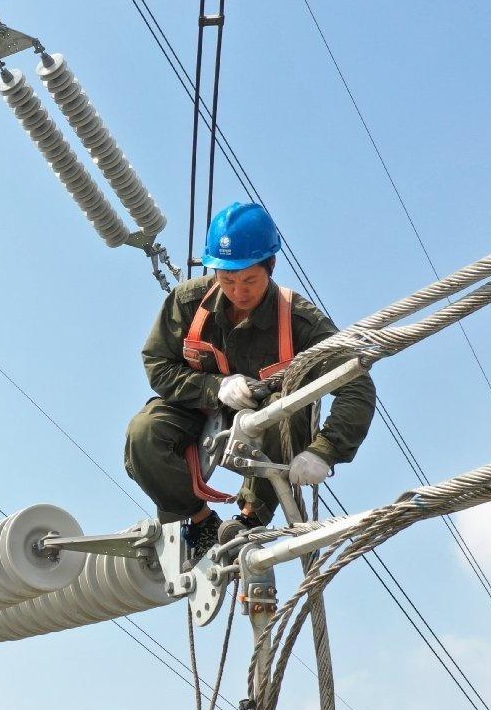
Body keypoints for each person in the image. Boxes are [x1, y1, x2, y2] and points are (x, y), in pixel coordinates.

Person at [124, 201, 376, 556]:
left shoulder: (299, 321)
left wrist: (326, 451)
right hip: (198, 406)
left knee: (283, 410)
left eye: (249, 281)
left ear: (270, 267)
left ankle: (247, 522)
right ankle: (200, 522)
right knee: (144, 432)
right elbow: (158, 364)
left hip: (267, 422)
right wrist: (215, 388)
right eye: (227, 280)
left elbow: (357, 385)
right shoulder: (188, 303)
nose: (238, 292)